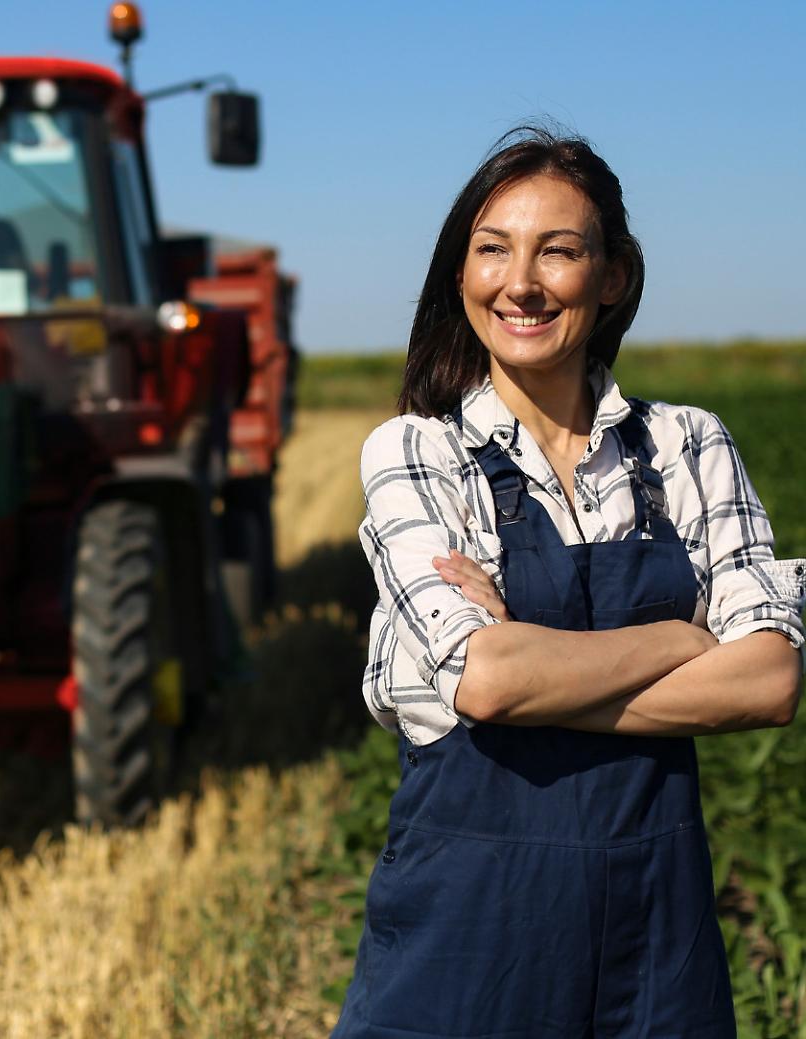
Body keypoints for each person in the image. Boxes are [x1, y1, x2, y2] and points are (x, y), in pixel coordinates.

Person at [332, 128, 805, 1038]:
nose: (523, 282)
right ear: (460, 271)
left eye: (560, 250)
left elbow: (770, 679)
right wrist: (678, 641)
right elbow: (489, 678)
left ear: (614, 275)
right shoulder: (419, 450)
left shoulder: (689, 446)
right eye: (493, 249)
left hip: (655, 950)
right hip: (465, 943)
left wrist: (531, 668)